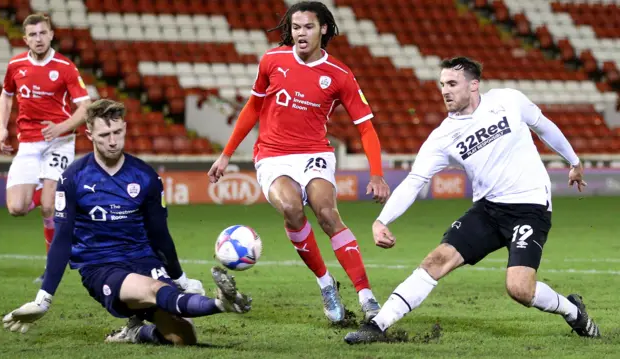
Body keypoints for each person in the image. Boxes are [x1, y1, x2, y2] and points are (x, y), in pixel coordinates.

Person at [344, 57, 601, 344]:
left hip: (530, 208)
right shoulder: (442, 137)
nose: (445, 91)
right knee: (437, 259)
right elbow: (415, 181)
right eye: (442, 85)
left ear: (474, 85)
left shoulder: (508, 100)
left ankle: (573, 311)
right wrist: (382, 220)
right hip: (489, 210)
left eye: (452, 84)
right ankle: (377, 326)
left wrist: (574, 161)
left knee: (519, 289)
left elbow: (544, 126)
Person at [2, 99, 252, 346]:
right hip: (100, 265)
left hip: (142, 258)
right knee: (153, 291)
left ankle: (136, 333)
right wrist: (43, 299)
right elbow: (62, 239)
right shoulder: (72, 178)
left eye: (117, 132)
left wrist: (181, 278)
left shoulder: (145, 176)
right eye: (104, 135)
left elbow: (159, 235)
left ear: (125, 128)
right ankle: (221, 303)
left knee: (183, 336)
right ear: (89, 134)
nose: (112, 141)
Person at [208, 1, 390, 324]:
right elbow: (252, 107)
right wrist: (226, 154)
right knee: (292, 209)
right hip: (272, 155)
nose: (300, 34)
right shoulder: (272, 60)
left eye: (307, 27)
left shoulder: (339, 74)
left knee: (326, 212)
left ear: (323, 29)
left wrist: (376, 173)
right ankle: (325, 284)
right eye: (295, 28)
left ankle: (367, 296)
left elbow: (365, 126)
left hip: (315, 153)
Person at [0, 13, 92, 282]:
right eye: (33, 35)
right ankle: (44, 190)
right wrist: (3, 127)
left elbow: (85, 108)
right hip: (27, 142)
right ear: (25, 39)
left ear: (51, 34)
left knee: (49, 208)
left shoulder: (65, 67)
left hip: (59, 142)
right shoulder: (16, 64)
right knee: (16, 208)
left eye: (43, 33)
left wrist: (61, 128)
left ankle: (53, 265)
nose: (38, 39)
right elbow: (5, 97)